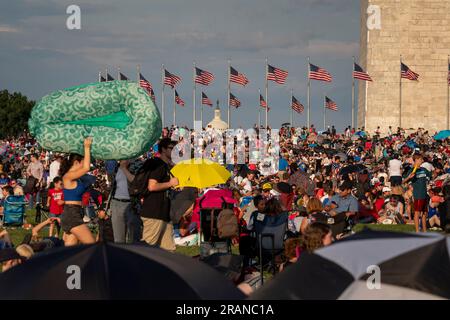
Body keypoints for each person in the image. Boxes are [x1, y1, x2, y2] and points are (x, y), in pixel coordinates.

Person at [141, 138, 179, 251]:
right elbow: (152, 186)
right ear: (163, 149)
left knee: (169, 250)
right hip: (154, 213)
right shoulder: (158, 165)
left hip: (163, 214)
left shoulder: (165, 166)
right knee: (148, 250)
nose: (174, 151)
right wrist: (170, 183)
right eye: (171, 148)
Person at [60, 137, 96, 245]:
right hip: (72, 215)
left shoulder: (76, 178)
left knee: (70, 252)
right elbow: (86, 168)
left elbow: (88, 173)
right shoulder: (68, 176)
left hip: (74, 213)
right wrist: (86, 148)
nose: (85, 164)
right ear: (76, 162)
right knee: (93, 246)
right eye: (83, 162)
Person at [110, 160, 141, 243]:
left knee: (134, 238)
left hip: (132, 204)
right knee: (118, 239)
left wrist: (124, 168)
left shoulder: (137, 164)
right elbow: (113, 185)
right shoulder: (116, 167)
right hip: (116, 203)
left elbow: (137, 182)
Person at [403, 154, 431, 232]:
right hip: (418, 194)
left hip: (424, 194)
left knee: (424, 213)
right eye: (420, 159)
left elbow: (431, 175)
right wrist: (409, 177)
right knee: (417, 213)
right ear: (416, 160)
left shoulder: (424, 169)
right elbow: (403, 181)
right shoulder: (411, 170)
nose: (422, 161)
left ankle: (425, 231)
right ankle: (417, 231)